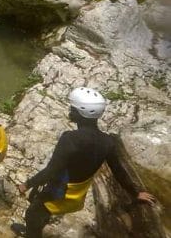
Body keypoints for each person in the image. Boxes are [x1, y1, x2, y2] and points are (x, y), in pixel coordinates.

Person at [11, 87, 158, 238]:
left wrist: (26, 184)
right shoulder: (107, 142)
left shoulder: (70, 138)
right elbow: (118, 171)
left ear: (81, 113)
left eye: (72, 108)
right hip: (76, 197)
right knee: (43, 210)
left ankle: (31, 234)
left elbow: (51, 171)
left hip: (60, 193)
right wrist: (136, 193)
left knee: (33, 213)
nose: (70, 110)